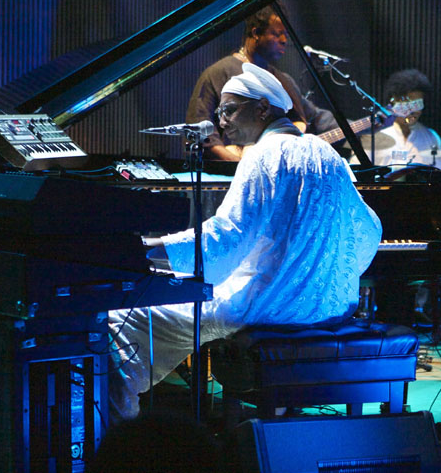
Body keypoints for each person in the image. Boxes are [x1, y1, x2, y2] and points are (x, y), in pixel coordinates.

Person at [109, 63, 383, 420]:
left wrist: (151, 250)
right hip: (328, 307)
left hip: (268, 308)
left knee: (119, 318)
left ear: (263, 108)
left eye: (229, 110)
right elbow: (369, 230)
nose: (220, 120)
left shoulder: (262, 154)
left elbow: (227, 239)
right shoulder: (327, 154)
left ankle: (117, 436)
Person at [185, 5, 337, 161]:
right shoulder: (218, 73)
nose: (284, 41)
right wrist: (241, 165)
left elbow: (316, 117)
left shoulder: (281, 80)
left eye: (285, 34)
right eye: (277, 34)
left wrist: (360, 127)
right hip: (229, 175)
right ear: (256, 33)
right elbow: (201, 133)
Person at [353, 69, 441, 171]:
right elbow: (356, 172)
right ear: (394, 101)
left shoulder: (431, 137)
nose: (414, 111)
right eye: (410, 103)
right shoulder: (373, 134)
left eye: (418, 104)